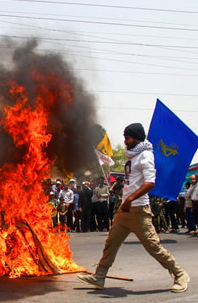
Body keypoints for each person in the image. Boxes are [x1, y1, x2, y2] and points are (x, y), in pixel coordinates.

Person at [77, 123, 190, 293]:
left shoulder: (145, 156)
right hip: (125, 210)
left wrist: (130, 198)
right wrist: (125, 201)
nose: (125, 141)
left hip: (138, 210)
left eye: (127, 138)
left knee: (154, 247)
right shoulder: (133, 156)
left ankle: (180, 275)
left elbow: (150, 182)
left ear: (136, 138)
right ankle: (99, 277)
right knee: (111, 244)